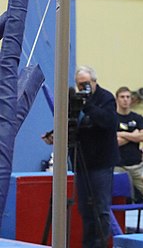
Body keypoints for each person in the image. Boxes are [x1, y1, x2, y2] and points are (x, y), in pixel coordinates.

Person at [40, 66, 119, 248]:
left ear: (94, 82)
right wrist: (54, 135)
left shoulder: (105, 98)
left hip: (101, 162)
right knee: (85, 209)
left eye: (85, 84)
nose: (82, 88)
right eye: (79, 84)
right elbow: (70, 122)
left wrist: (88, 104)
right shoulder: (74, 100)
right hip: (81, 160)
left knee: (101, 209)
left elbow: (108, 122)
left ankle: (100, 245)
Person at [114, 86, 143, 203]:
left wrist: (122, 134)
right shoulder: (112, 117)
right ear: (117, 99)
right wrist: (133, 135)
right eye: (122, 97)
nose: (125, 99)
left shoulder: (137, 118)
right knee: (117, 198)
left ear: (131, 99)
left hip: (136, 165)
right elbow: (115, 141)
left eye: (128, 97)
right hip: (117, 165)